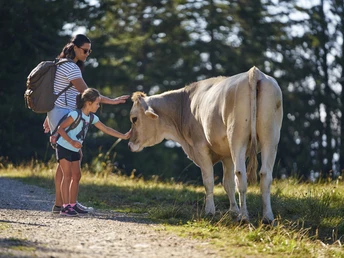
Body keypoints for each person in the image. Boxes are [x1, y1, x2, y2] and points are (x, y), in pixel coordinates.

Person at [43, 34, 130, 214]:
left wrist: (48, 116)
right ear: (74, 47)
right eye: (84, 50)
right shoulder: (70, 67)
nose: (87, 54)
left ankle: (64, 203)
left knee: (66, 160)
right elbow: (87, 94)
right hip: (64, 113)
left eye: (89, 51)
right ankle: (64, 204)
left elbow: (57, 92)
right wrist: (112, 101)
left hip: (58, 112)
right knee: (67, 159)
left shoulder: (62, 64)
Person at [56, 88, 131, 216]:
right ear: (88, 103)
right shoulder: (75, 114)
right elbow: (60, 129)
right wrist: (72, 142)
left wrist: (123, 136)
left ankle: (73, 205)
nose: (98, 105)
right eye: (97, 103)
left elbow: (106, 129)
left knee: (77, 176)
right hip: (64, 146)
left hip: (75, 149)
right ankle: (65, 207)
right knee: (67, 176)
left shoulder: (92, 117)